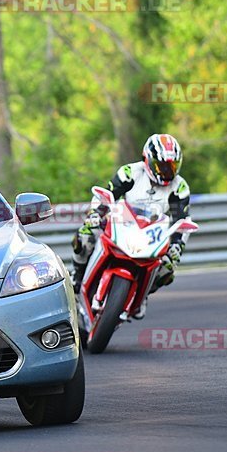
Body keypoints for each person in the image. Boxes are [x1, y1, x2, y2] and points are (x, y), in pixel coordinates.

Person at [71, 134, 191, 319]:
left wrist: (177, 246)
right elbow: (107, 194)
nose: (168, 171)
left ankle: (142, 295)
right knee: (85, 235)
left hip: (153, 233)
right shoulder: (130, 172)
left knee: (168, 268)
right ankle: (77, 276)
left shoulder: (179, 187)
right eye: (163, 166)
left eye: (172, 166)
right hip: (122, 222)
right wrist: (95, 214)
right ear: (148, 160)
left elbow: (181, 219)